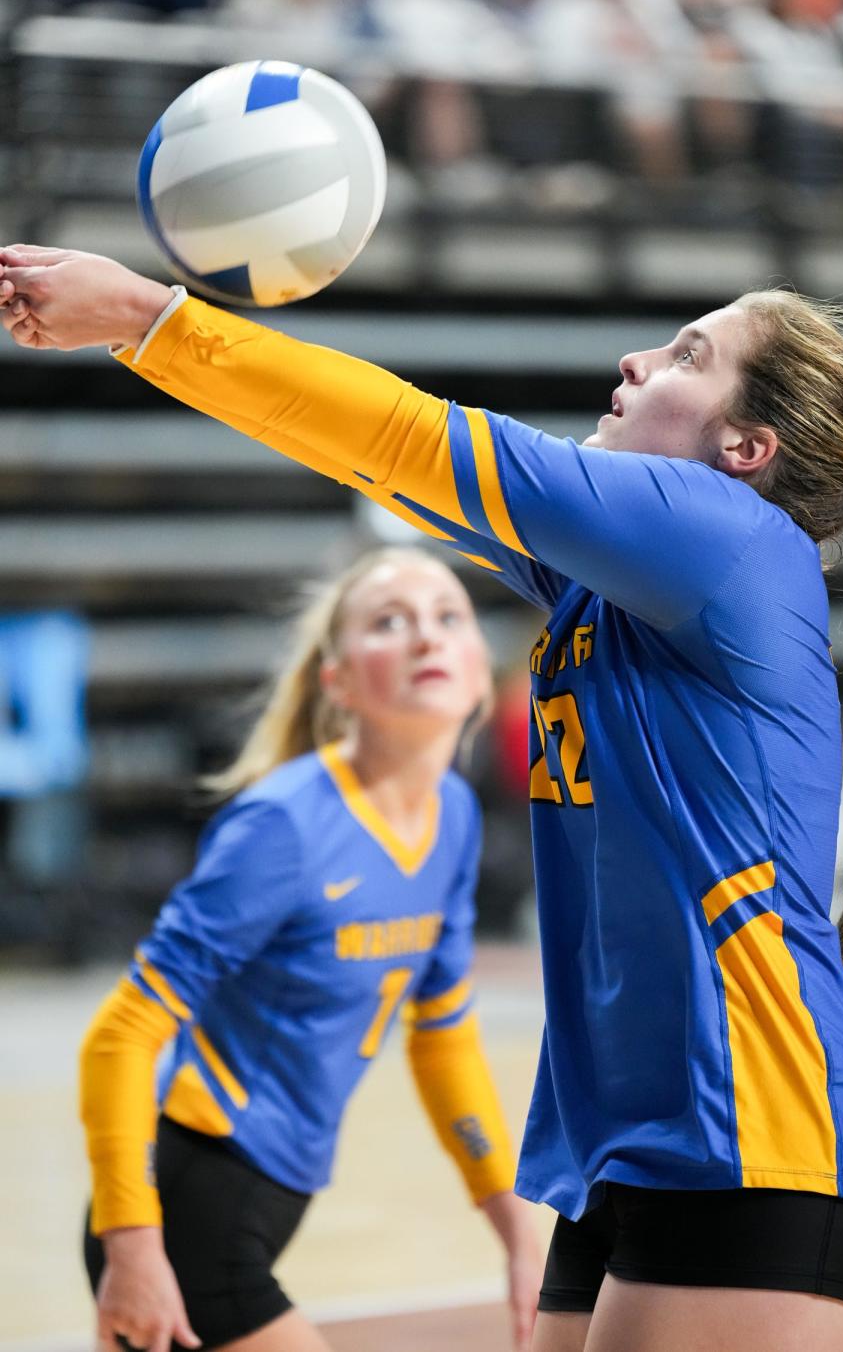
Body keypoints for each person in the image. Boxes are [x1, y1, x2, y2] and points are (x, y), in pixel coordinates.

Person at [0, 245, 843, 1352]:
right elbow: (376, 458)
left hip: (760, 1116)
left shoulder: (724, 535)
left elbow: (409, 434)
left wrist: (147, 314)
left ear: (746, 449)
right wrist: (140, 337)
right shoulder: (614, 584)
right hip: (645, 1134)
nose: (638, 359)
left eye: (689, 352)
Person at [72, 545, 542, 1352]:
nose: (425, 637)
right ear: (340, 681)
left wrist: (516, 1229)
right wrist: (132, 1246)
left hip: (274, 1197)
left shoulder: (455, 818)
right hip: (188, 1196)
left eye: (447, 617)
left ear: (478, 671)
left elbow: (441, 1034)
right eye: (389, 622)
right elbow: (120, 1034)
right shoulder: (283, 826)